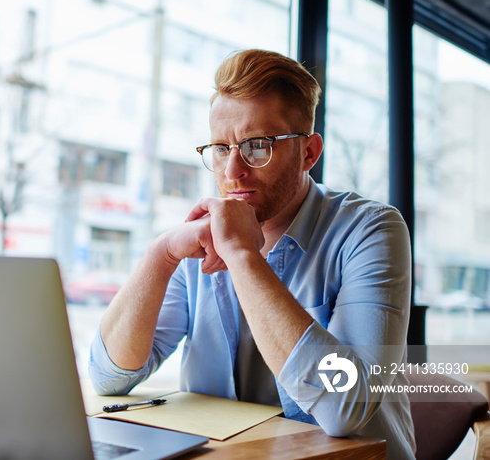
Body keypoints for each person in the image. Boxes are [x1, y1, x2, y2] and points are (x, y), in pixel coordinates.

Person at [88, 49, 416, 459]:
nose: (232, 172)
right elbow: (109, 378)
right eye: (221, 148)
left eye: (257, 146)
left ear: (309, 153)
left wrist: (243, 256)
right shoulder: (199, 238)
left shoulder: (370, 229)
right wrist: (161, 253)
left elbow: (344, 407)